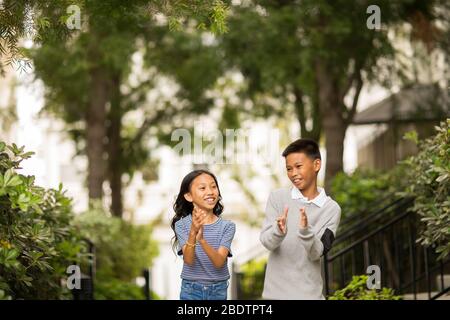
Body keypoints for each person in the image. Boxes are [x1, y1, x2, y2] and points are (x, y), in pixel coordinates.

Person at [260, 138, 341, 299]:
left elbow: (317, 253)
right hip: (274, 296)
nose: (293, 173)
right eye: (289, 169)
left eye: (298, 167)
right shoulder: (278, 198)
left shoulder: (331, 209)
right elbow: (266, 241)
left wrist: (305, 232)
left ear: (316, 165)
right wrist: (278, 231)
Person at [171, 169, 236, 300]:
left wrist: (202, 240)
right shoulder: (181, 225)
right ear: (188, 196)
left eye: (213, 186)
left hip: (218, 290)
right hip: (191, 290)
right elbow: (189, 260)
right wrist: (193, 232)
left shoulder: (228, 226)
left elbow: (219, 262)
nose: (210, 192)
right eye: (202, 188)